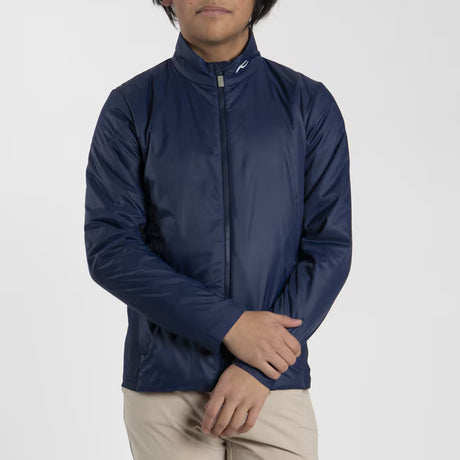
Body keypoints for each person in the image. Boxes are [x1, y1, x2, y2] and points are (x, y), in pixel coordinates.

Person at [83, 0, 352, 458]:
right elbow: (111, 249)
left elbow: (329, 247)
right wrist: (229, 325)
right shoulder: (131, 107)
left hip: (273, 389)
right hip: (166, 391)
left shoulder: (308, 104)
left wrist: (260, 366)